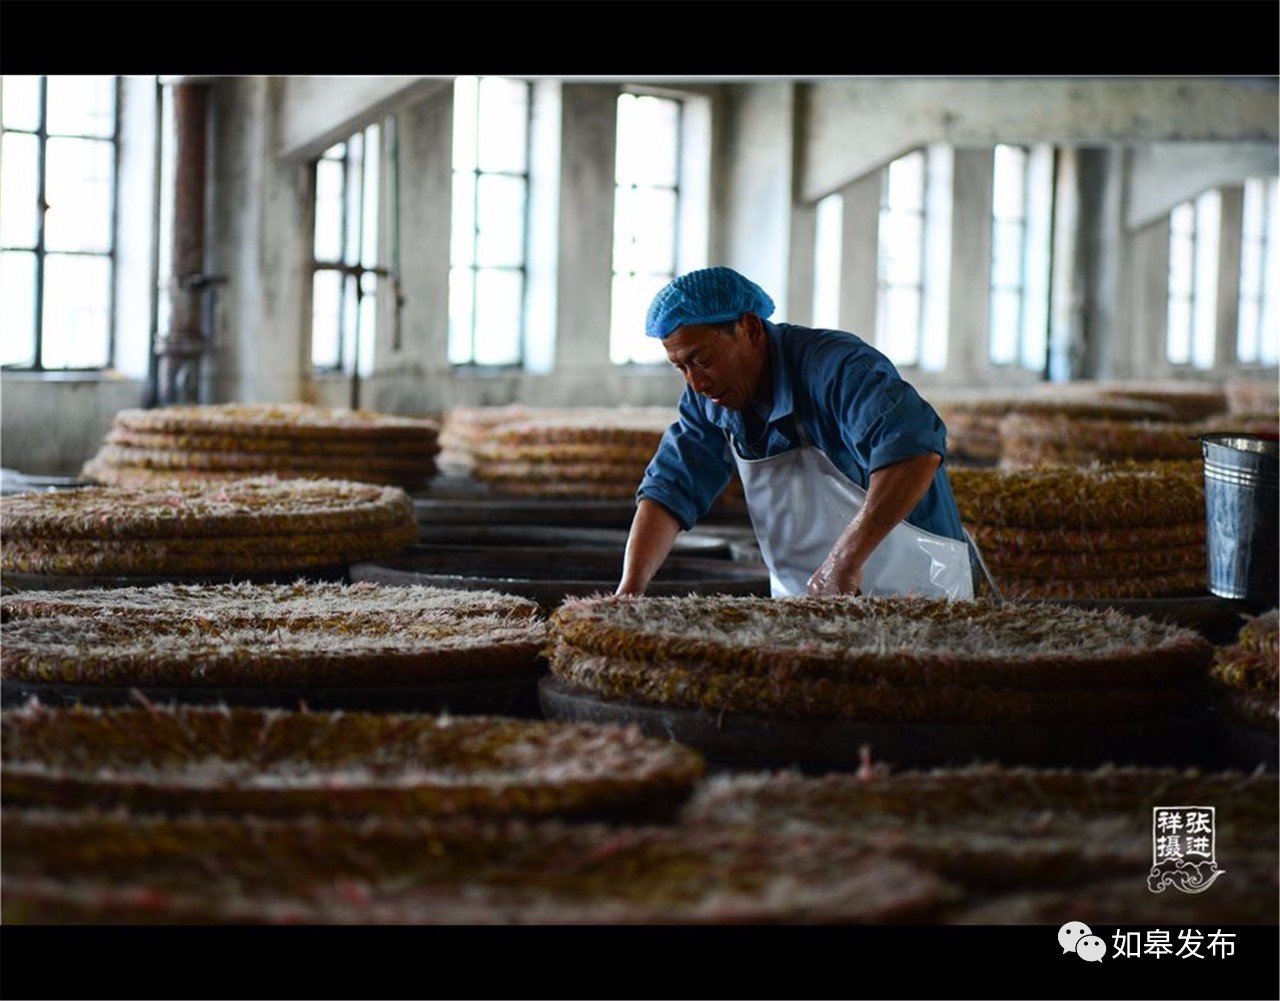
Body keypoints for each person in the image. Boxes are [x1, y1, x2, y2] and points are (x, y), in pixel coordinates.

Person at [616, 266, 977, 600]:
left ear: (751, 329)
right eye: (681, 368)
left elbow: (914, 453)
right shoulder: (710, 398)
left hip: (920, 588)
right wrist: (629, 593)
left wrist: (843, 563)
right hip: (804, 601)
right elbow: (668, 489)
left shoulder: (839, 369)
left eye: (701, 360)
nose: (695, 383)